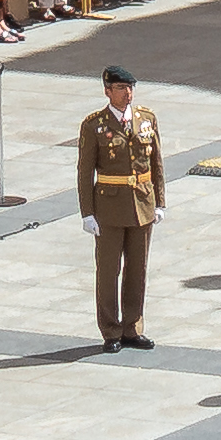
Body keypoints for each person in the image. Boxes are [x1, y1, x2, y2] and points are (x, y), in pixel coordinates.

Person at [79, 65, 168, 348]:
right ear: (107, 91)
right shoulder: (94, 125)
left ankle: (132, 326)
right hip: (109, 207)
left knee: (137, 269)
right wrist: (87, 212)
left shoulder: (146, 119)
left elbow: (156, 164)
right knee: (108, 271)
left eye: (130, 87)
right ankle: (111, 330)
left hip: (142, 203)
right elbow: (85, 172)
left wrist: (159, 202)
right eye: (120, 88)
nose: (127, 93)